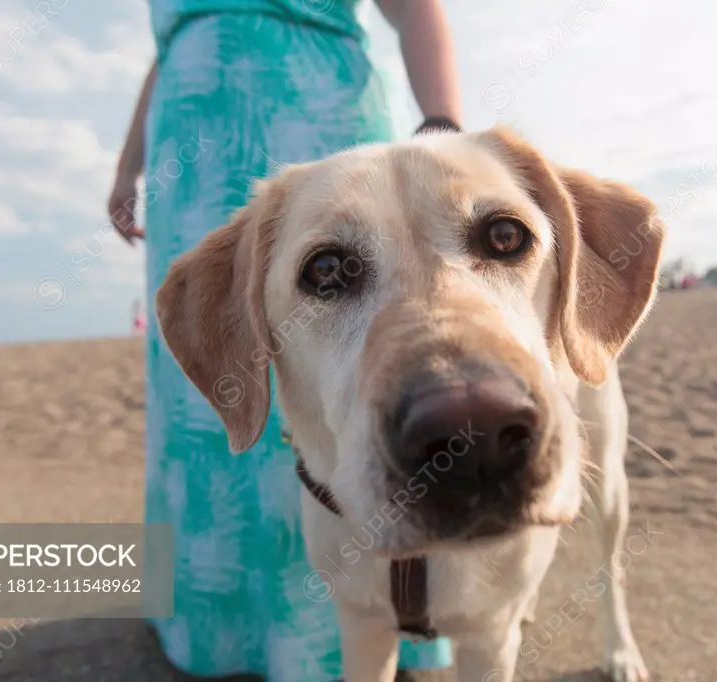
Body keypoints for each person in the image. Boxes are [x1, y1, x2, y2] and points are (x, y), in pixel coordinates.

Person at [107, 1, 462, 679]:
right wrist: (130, 168)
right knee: (206, 375)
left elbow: (416, 9)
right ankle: (219, 626)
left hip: (317, 119)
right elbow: (169, 47)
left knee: (339, 362)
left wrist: (441, 123)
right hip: (188, 157)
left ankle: (362, 626)